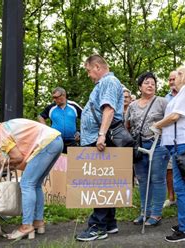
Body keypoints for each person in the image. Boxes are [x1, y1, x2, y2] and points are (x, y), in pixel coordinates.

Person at [0, 117, 63, 240]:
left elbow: (18, 158)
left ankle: (26, 226)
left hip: (47, 144)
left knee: (26, 184)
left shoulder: (2, 135)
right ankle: (38, 222)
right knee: (35, 184)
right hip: (56, 140)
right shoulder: (5, 127)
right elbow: (15, 159)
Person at [75, 55, 124, 242]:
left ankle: (97, 226)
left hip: (100, 140)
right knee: (106, 182)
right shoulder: (103, 83)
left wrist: (101, 134)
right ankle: (109, 222)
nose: (88, 75)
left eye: (88, 70)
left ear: (97, 67)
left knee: (99, 184)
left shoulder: (109, 81)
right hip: (95, 139)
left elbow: (109, 109)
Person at [152, 64, 185, 242]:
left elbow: (176, 116)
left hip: (182, 142)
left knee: (181, 186)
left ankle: (184, 230)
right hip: (181, 142)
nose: (175, 76)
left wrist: (157, 125)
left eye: (179, 73)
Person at [125, 72, 170, 226]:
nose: (150, 85)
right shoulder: (132, 105)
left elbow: (171, 122)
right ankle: (144, 212)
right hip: (138, 146)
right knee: (143, 179)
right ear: (139, 87)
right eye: (146, 83)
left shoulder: (162, 102)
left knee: (157, 178)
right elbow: (127, 125)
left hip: (158, 144)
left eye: (152, 83)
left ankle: (156, 213)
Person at [38, 87, 82, 153]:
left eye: (56, 97)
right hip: (56, 141)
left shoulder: (73, 106)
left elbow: (86, 118)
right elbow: (40, 116)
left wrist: (80, 132)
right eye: (53, 97)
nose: (54, 100)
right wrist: (46, 130)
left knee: (72, 163)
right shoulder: (51, 107)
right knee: (57, 162)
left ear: (64, 95)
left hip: (72, 142)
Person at [163, 70, 178, 208]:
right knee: (169, 169)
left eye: (174, 78)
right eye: (170, 79)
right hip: (168, 139)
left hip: (184, 139)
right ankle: (171, 197)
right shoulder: (165, 99)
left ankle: (184, 197)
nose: (172, 82)